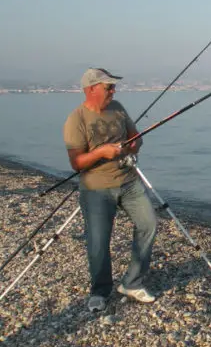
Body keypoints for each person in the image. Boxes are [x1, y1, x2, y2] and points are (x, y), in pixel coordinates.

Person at [63, 67, 158, 312]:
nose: (113, 90)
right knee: (98, 242)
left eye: (113, 86)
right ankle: (99, 291)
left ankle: (132, 282)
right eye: (108, 87)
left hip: (129, 181)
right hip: (96, 189)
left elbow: (136, 137)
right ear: (91, 89)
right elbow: (76, 163)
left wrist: (134, 143)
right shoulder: (77, 120)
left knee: (149, 223)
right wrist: (100, 153)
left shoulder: (118, 108)